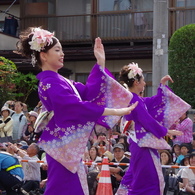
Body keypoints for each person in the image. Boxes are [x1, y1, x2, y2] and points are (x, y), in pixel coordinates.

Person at [15, 27, 138, 195]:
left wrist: (100, 63)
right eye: (57, 50)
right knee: (64, 189)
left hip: (67, 147)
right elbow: (73, 107)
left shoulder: (60, 80)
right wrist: (115, 112)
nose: (62, 53)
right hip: (62, 148)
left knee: (71, 189)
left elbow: (88, 93)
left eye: (62, 50)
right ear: (43, 55)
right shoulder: (48, 82)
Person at [116, 62, 191, 195]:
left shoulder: (138, 100)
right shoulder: (134, 101)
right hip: (141, 146)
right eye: (143, 80)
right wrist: (166, 131)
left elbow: (156, 101)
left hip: (141, 145)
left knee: (139, 179)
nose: (145, 83)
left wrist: (162, 86)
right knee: (149, 181)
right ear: (136, 82)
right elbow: (148, 121)